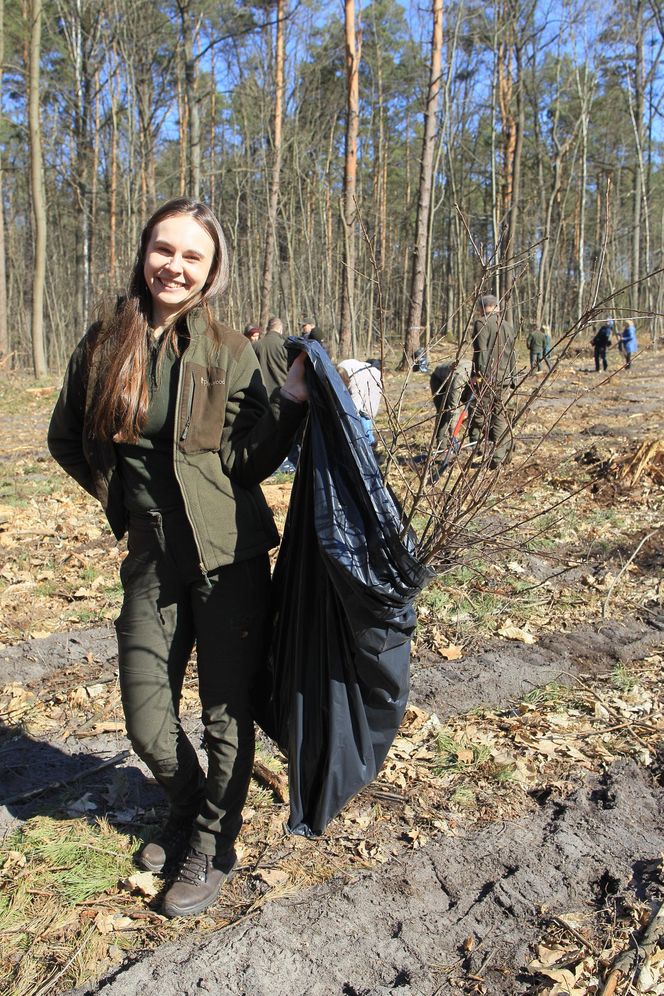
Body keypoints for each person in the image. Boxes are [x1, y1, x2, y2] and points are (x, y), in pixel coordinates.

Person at [47, 198, 308, 919]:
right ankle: (189, 806)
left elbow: (247, 461)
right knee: (146, 717)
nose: (175, 265)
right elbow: (66, 438)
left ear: (211, 270)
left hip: (229, 556)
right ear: (145, 253)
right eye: (165, 249)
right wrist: (119, 502)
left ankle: (213, 844)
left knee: (226, 714)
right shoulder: (105, 344)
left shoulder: (230, 349)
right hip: (152, 556)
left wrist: (287, 400)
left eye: (193, 256)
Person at [469, 294, 517, 469]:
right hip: (505, 378)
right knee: (500, 416)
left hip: (487, 378)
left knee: (479, 414)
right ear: (496, 306)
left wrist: (478, 375)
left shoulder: (481, 323)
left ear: (482, 308)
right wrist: (513, 378)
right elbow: (512, 353)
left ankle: (497, 457)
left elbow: (481, 352)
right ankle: (503, 452)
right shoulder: (508, 326)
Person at [253, 316, 299, 472]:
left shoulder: (257, 346)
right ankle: (284, 463)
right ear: (280, 329)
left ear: (268, 328)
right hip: (281, 395)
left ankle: (264, 462)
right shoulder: (285, 346)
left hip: (261, 393)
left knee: (263, 431)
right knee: (282, 431)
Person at [336, 357, 382, 446]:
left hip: (372, 377)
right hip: (360, 374)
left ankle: (370, 441)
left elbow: (355, 405)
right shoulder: (339, 370)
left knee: (366, 412)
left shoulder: (355, 382)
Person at [429, 358, 473, 446]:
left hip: (465, 380)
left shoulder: (484, 378)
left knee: (474, 409)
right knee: (444, 412)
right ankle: (441, 444)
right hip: (439, 379)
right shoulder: (459, 378)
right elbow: (453, 407)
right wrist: (453, 435)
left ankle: (474, 443)